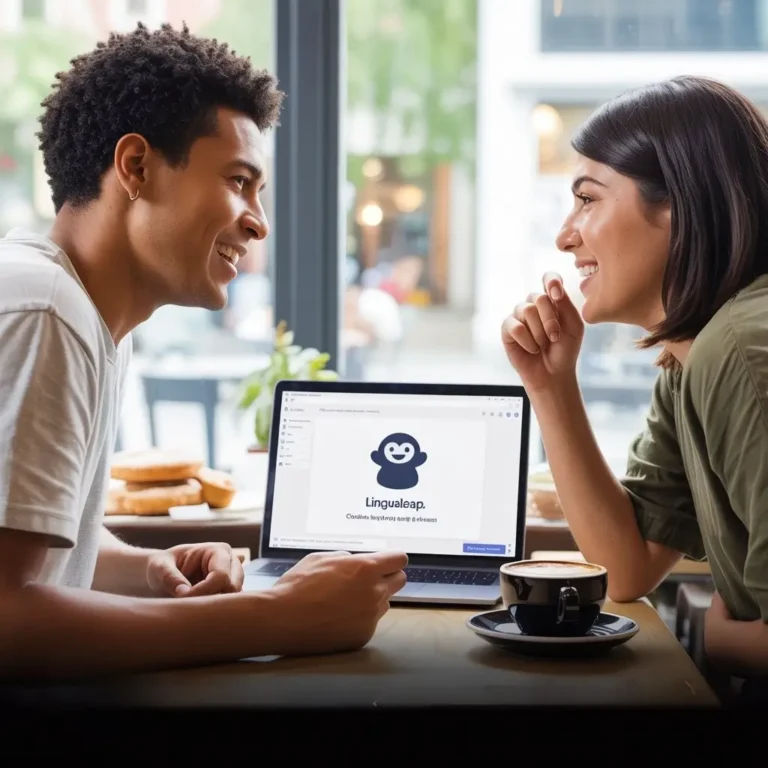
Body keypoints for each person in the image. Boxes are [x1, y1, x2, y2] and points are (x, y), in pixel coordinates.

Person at [0, 22, 407, 681]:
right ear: (135, 166)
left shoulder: (81, 313)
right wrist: (282, 616)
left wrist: (146, 570)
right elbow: (8, 621)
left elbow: (33, 550)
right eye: (239, 182)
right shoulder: (47, 311)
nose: (259, 221)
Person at [502, 75, 768, 691]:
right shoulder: (692, 358)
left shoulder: (743, 347)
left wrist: (718, 638)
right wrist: (549, 385)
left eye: (588, 199)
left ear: (678, 200)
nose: (565, 235)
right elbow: (625, 566)